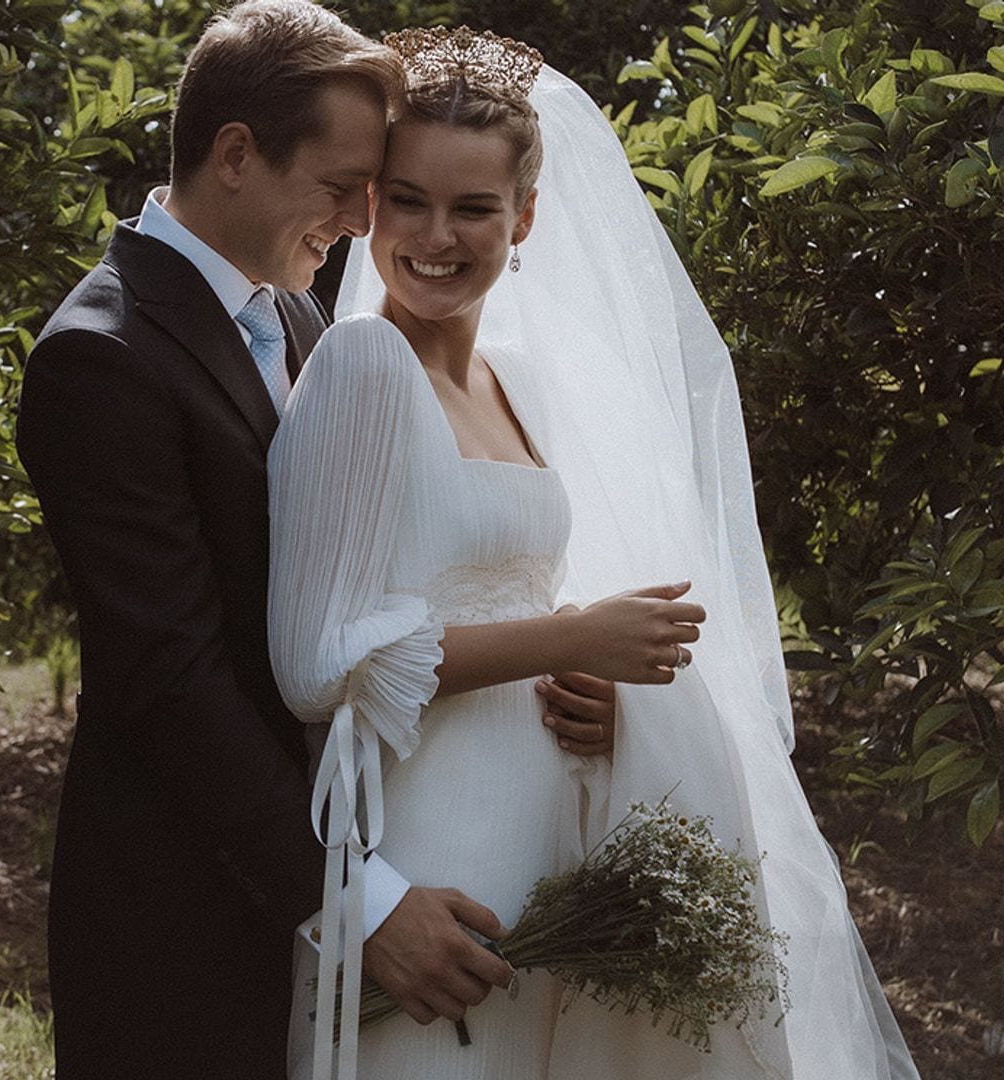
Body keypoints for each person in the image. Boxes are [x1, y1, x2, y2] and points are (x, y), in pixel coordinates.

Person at [268, 26, 922, 1080]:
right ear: (370, 205)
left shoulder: (519, 381)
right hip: (435, 850)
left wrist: (614, 698)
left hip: (558, 851)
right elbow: (317, 665)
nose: (437, 235)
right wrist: (566, 635)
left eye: (475, 207)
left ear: (524, 218)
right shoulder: (359, 364)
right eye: (409, 200)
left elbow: (506, 595)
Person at [16, 4, 588, 1075]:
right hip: (187, 908)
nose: (364, 220)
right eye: (345, 187)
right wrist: (362, 904)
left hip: (351, 844)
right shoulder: (101, 358)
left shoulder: (299, 321)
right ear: (237, 155)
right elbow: (170, 680)